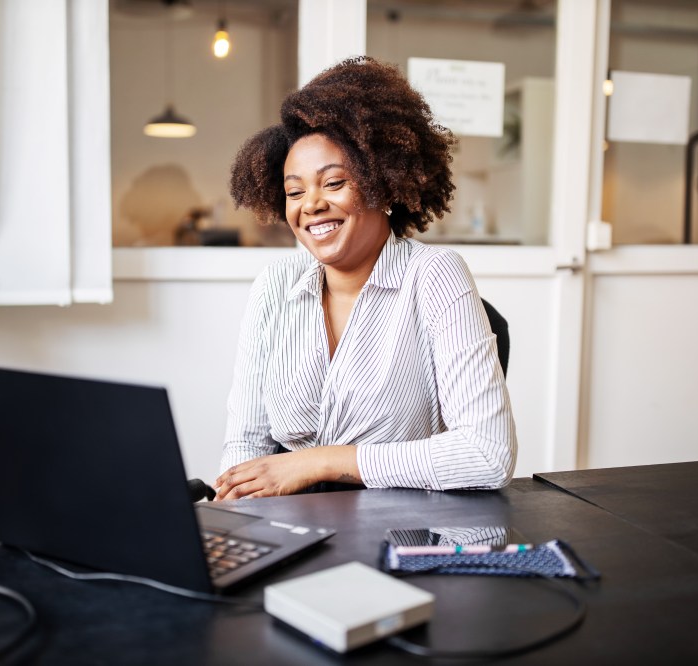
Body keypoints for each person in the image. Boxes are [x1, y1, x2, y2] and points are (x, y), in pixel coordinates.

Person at [214, 56, 516, 500]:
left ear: (383, 185)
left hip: (399, 530)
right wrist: (235, 510)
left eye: (333, 183)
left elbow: (488, 454)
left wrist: (319, 461)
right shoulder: (275, 286)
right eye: (295, 191)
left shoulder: (435, 276)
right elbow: (246, 443)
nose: (310, 204)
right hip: (289, 527)